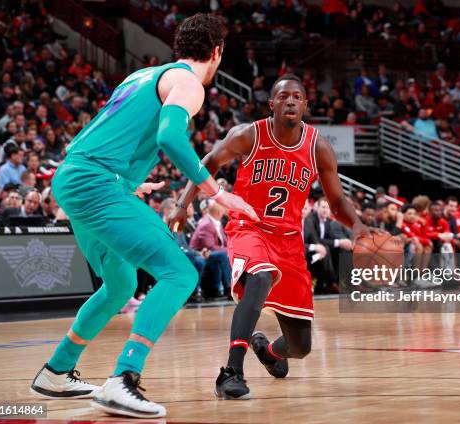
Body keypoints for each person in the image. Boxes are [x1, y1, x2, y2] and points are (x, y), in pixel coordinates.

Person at [30, 15, 258, 419]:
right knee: (180, 273)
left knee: (120, 284)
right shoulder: (188, 82)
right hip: (96, 183)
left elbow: (108, 132)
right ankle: (123, 379)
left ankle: (57, 370)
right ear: (217, 51)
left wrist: (128, 183)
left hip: (76, 177)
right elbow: (169, 137)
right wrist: (217, 191)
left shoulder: (141, 75)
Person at [172, 74, 373, 400]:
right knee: (261, 275)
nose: (290, 101)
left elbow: (336, 200)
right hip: (249, 228)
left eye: (297, 96)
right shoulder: (249, 135)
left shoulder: (318, 146)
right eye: (283, 96)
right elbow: (207, 163)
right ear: (272, 104)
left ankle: (270, 353)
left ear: (305, 104)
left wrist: (358, 225)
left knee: (301, 347)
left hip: (289, 241)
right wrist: (182, 204)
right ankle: (231, 371)